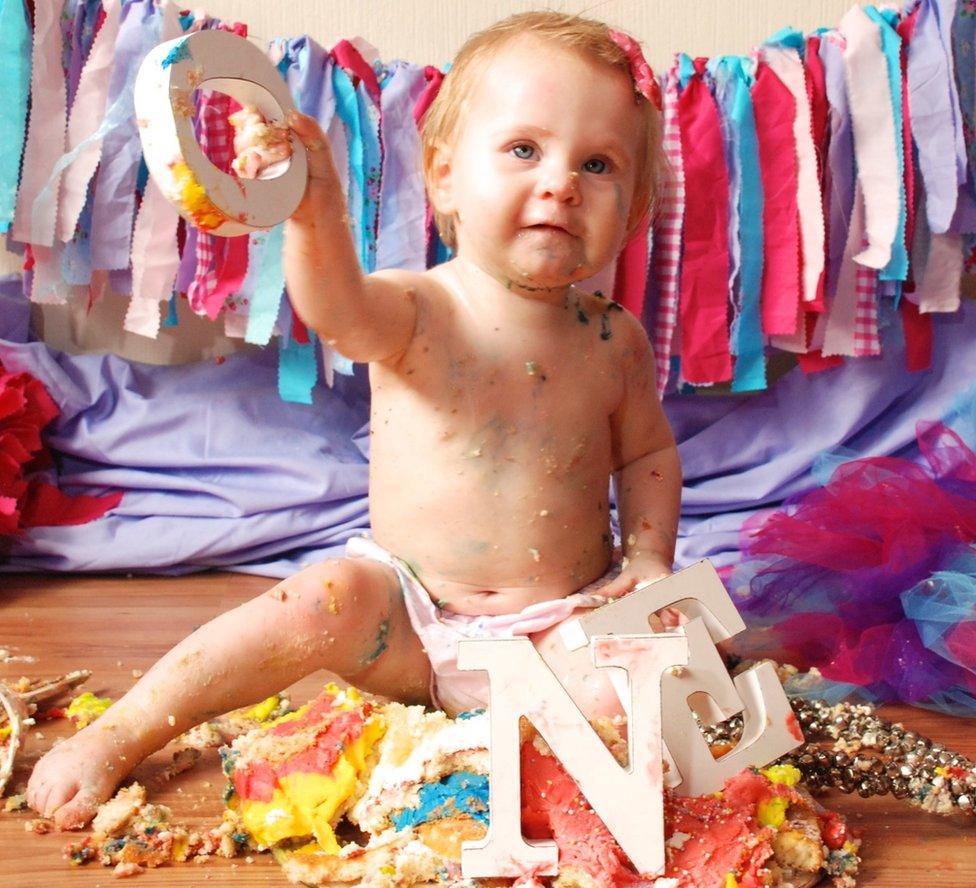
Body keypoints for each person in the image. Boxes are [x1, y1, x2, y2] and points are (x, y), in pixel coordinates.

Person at [27, 10, 681, 830]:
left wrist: (650, 558)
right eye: (523, 150)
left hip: (556, 629)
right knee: (317, 597)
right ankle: (125, 729)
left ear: (635, 205)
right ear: (443, 177)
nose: (560, 182)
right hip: (405, 618)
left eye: (598, 163)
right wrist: (315, 210)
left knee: (643, 668)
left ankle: (512, 776)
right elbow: (334, 308)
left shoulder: (614, 338)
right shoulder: (419, 307)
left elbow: (648, 452)